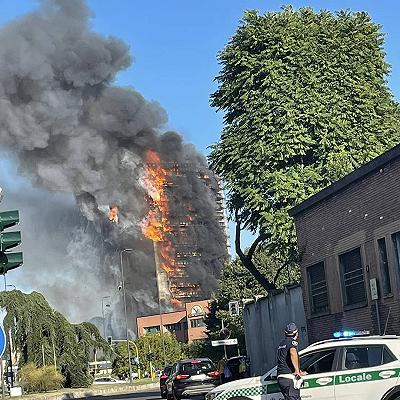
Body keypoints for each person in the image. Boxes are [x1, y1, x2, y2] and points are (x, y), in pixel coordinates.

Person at [276, 323, 307, 400]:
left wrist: (299, 370)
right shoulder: (292, 343)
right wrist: (297, 371)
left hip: (281, 377)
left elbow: (286, 360)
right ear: (296, 333)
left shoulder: (282, 344)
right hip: (289, 378)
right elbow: (293, 353)